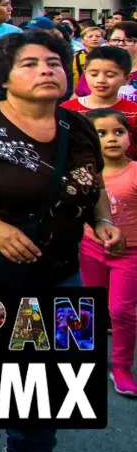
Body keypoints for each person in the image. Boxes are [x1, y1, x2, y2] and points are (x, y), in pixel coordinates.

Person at [0, 29, 124, 452]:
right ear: (4, 76)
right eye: (31, 64)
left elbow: (92, 183)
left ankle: (32, 445)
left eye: (54, 63)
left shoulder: (78, 126)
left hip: (59, 268)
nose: (46, 71)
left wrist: (102, 220)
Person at [80, 108, 137, 396]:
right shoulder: (84, 173)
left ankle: (122, 366)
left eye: (119, 132)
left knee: (121, 311)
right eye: (101, 133)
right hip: (91, 249)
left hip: (130, 255)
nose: (112, 138)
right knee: (87, 307)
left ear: (130, 137)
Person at [62, 46, 137, 158]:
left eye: (110, 75)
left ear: (127, 79)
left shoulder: (134, 112)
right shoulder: (67, 110)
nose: (100, 80)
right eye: (94, 74)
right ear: (85, 74)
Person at [73, 25, 105, 95]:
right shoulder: (76, 56)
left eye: (98, 36)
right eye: (90, 36)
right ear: (82, 41)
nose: (94, 39)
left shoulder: (108, 56)